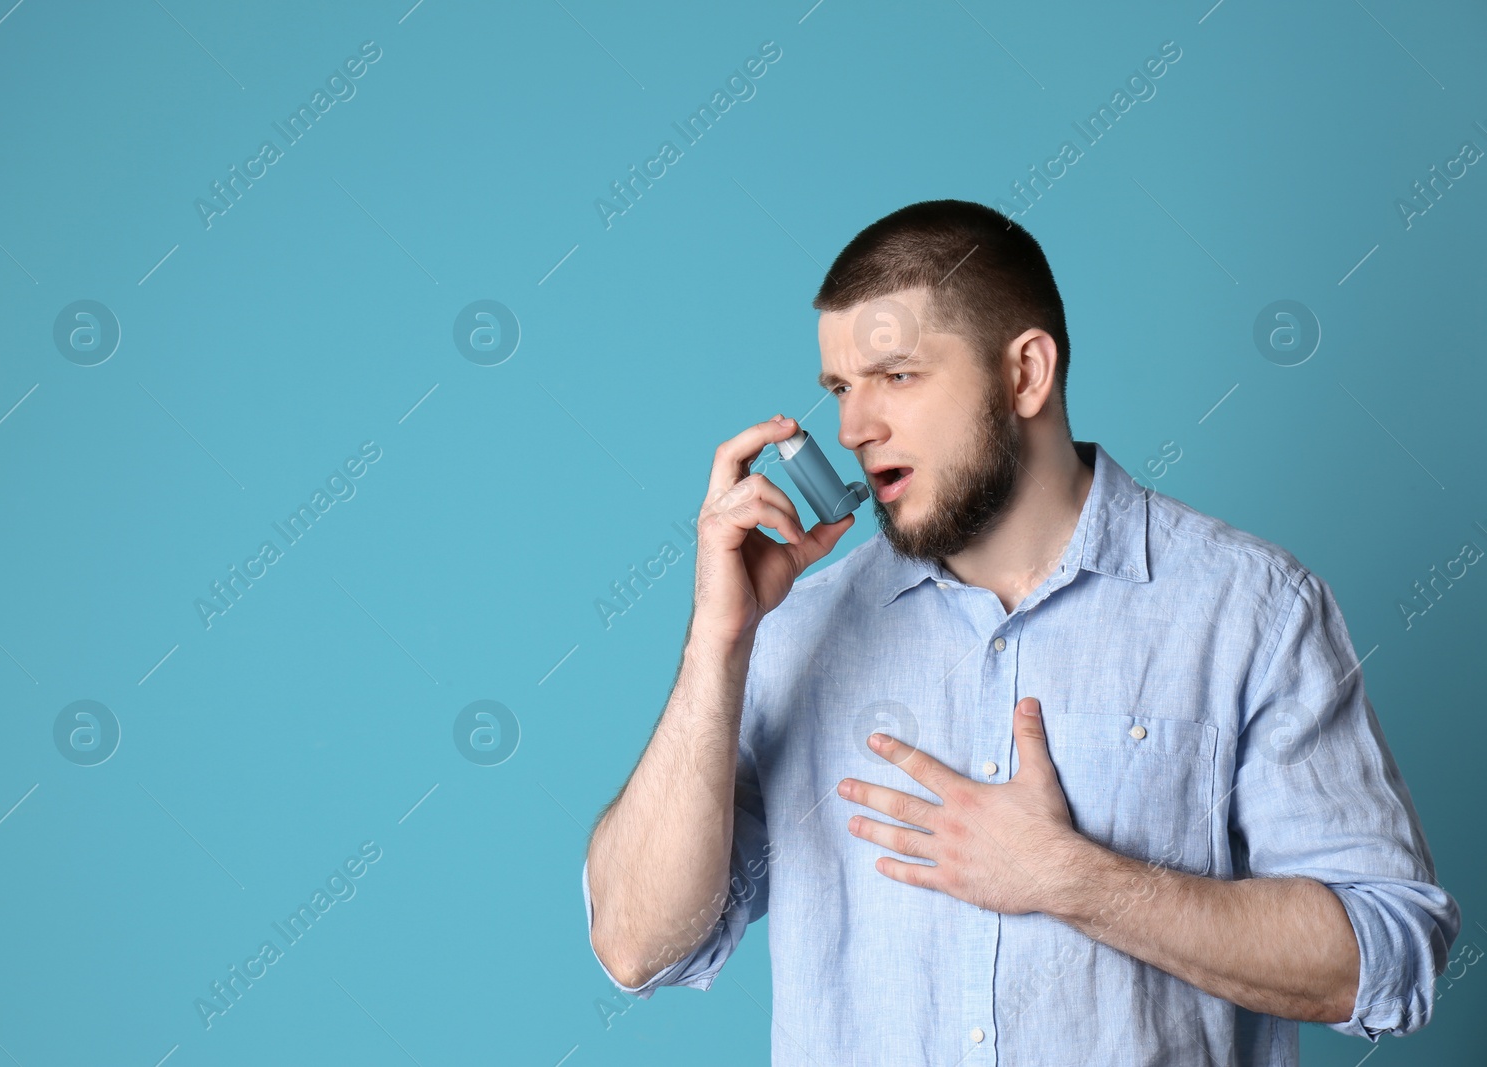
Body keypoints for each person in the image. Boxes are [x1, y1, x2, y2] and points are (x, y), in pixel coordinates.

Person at [581, 200, 1458, 1065]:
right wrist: (716, 643)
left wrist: (1073, 879)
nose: (853, 428)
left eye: (896, 375)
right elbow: (639, 945)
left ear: (1026, 374)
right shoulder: (793, 629)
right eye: (841, 389)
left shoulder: (1251, 612)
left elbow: (1389, 953)